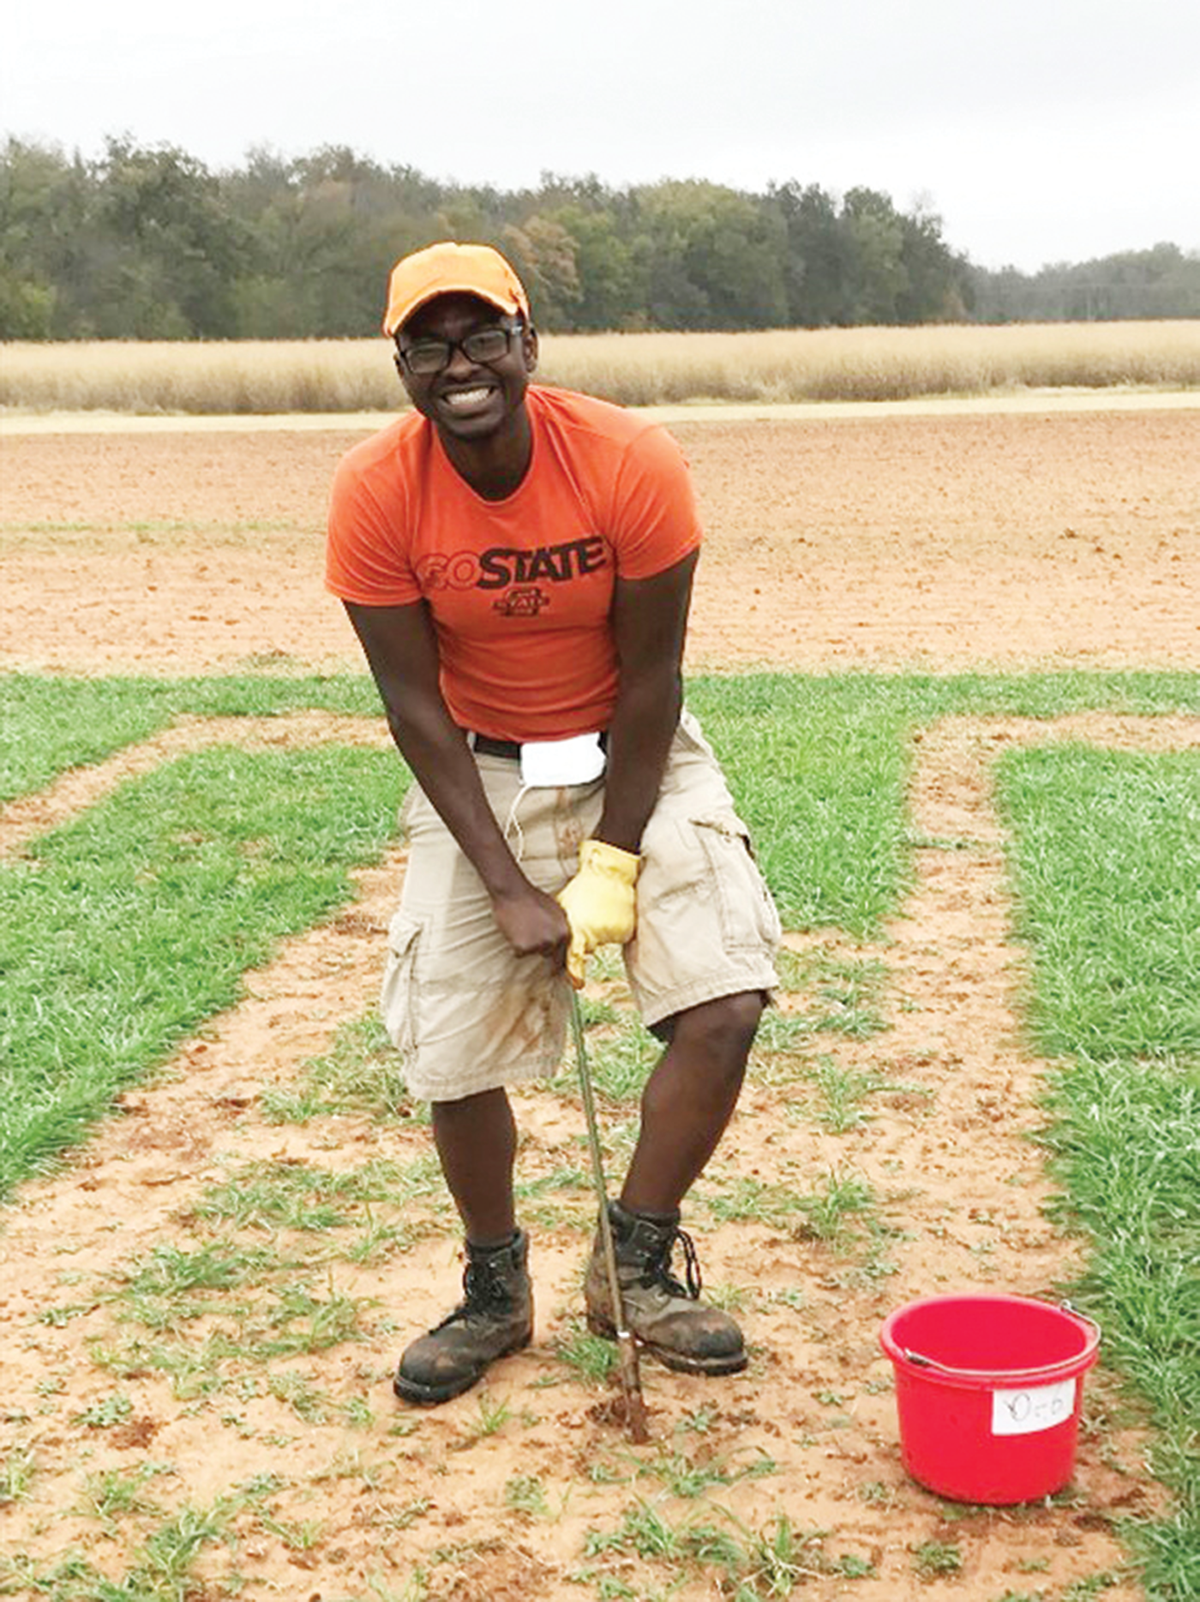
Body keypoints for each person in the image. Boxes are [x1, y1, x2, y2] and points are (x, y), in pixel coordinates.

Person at [325, 241, 780, 1406]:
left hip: (636, 757)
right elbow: (413, 707)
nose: (460, 363)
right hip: (477, 775)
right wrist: (508, 886)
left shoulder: (631, 461)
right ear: (402, 366)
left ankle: (633, 1267)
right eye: (430, 345)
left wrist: (613, 863)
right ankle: (494, 1291)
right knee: (448, 1045)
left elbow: (652, 679)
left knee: (724, 996)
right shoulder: (376, 492)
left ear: (529, 344)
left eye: (483, 337)